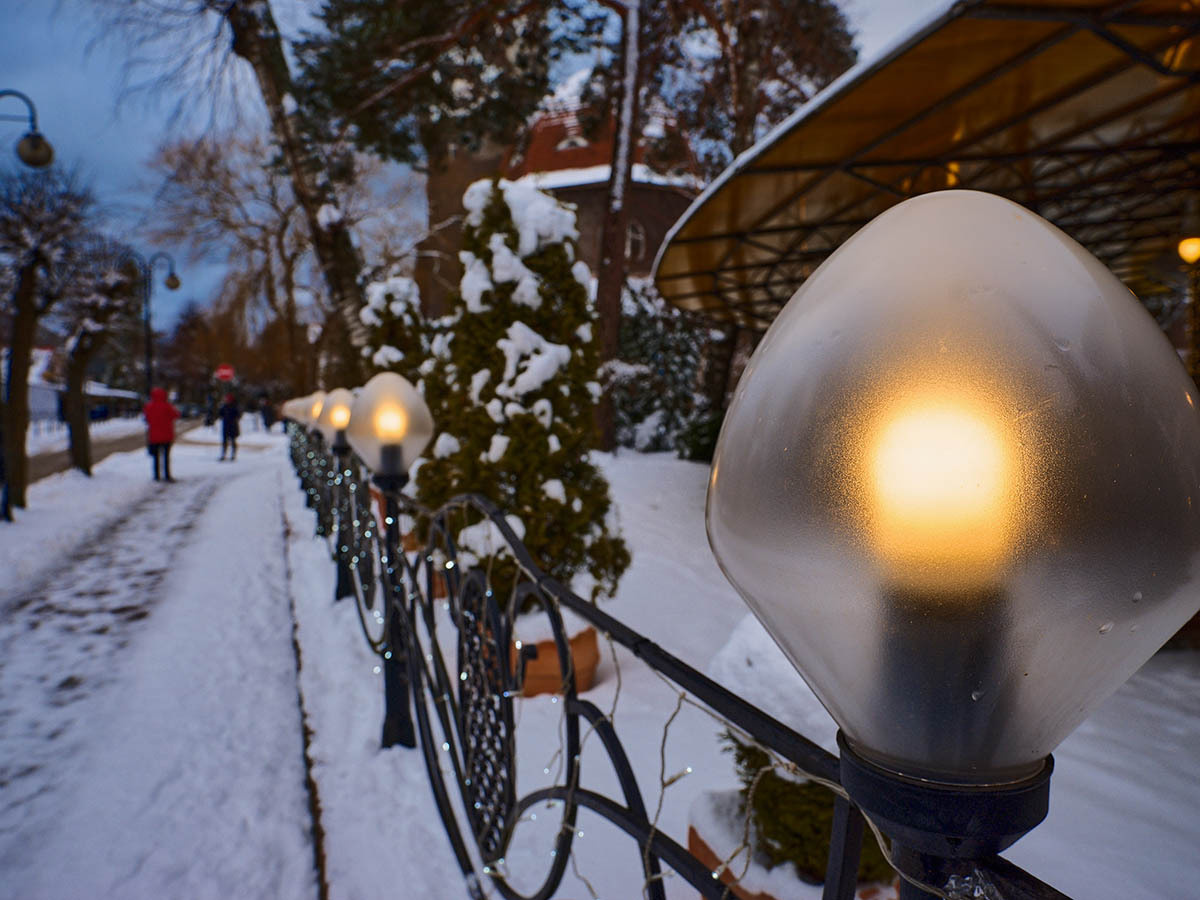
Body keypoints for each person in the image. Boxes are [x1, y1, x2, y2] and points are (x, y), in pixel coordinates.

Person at [143, 387, 180, 482]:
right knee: (166, 457)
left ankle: (156, 476)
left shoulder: (149, 406)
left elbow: (146, 418)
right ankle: (167, 475)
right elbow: (176, 415)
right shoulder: (167, 406)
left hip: (154, 436)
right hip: (166, 436)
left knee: (156, 457)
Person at [218, 393, 241, 461]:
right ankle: (223, 455)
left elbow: (238, 415)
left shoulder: (235, 406)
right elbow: (220, 414)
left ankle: (233, 455)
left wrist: (233, 419)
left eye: (227, 399)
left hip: (233, 426)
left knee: (233, 441)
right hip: (226, 426)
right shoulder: (224, 406)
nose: (226, 400)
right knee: (224, 441)